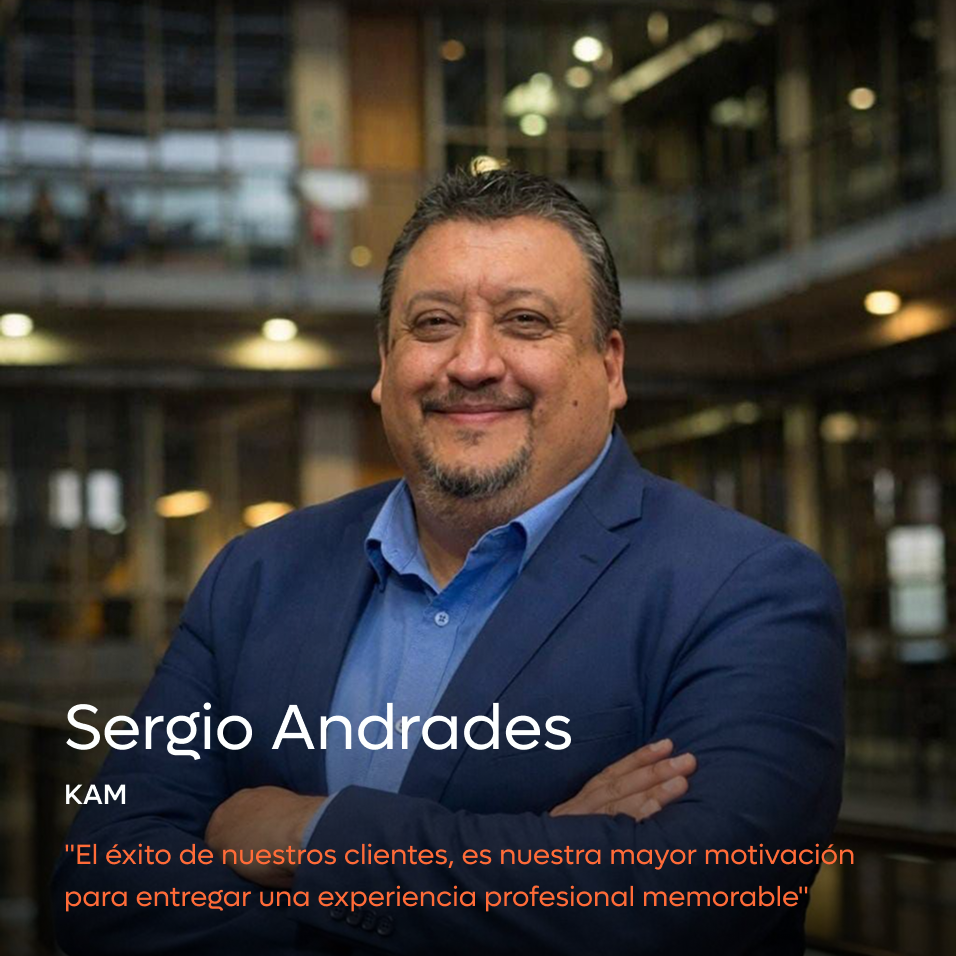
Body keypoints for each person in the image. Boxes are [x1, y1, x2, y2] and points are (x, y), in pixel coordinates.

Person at [54, 169, 845, 955]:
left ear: (609, 367)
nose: (471, 362)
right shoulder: (255, 575)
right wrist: (533, 858)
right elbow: (102, 887)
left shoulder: (748, 591)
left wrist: (314, 835)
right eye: (433, 323)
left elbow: (690, 910)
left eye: (525, 322)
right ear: (384, 363)